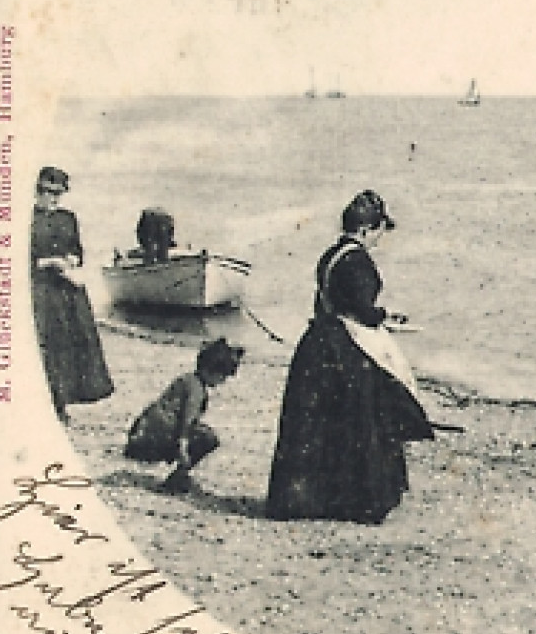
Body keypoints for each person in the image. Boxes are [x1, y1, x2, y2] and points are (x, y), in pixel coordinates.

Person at [265, 190, 434, 524]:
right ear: (368, 229)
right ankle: (357, 502)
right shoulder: (357, 260)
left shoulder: (330, 255)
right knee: (360, 420)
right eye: (380, 231)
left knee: (316, 425)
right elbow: (361, 310)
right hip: (343, 347)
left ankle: (305, 500)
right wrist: (385, 316)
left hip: (318, 342)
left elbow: (335, 302)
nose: (380, 239)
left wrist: (374, 312)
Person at [30, 166, 114, 420]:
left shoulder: (68, 218)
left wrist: (72, 259)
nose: (53, 199)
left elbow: (77, 250)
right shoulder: (25, 219)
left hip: (68, 293)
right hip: (41, 291)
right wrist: (46, 263)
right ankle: (46, 403)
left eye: (58, 193)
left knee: (69, 349)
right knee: (45, 348)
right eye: (47, 192)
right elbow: (16, 260)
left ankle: (62, 403)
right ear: (38, 191)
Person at [125, 338, 245, 494]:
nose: (223, 381)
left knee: (201, 431)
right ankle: (177, 478)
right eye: (222, 376)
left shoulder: (187, 379)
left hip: (143, 432)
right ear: (211, 371)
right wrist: (183, 447)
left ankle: (179, 475)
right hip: (152, 441)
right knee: (208, 438)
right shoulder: (197, 390)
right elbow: (187, 420)